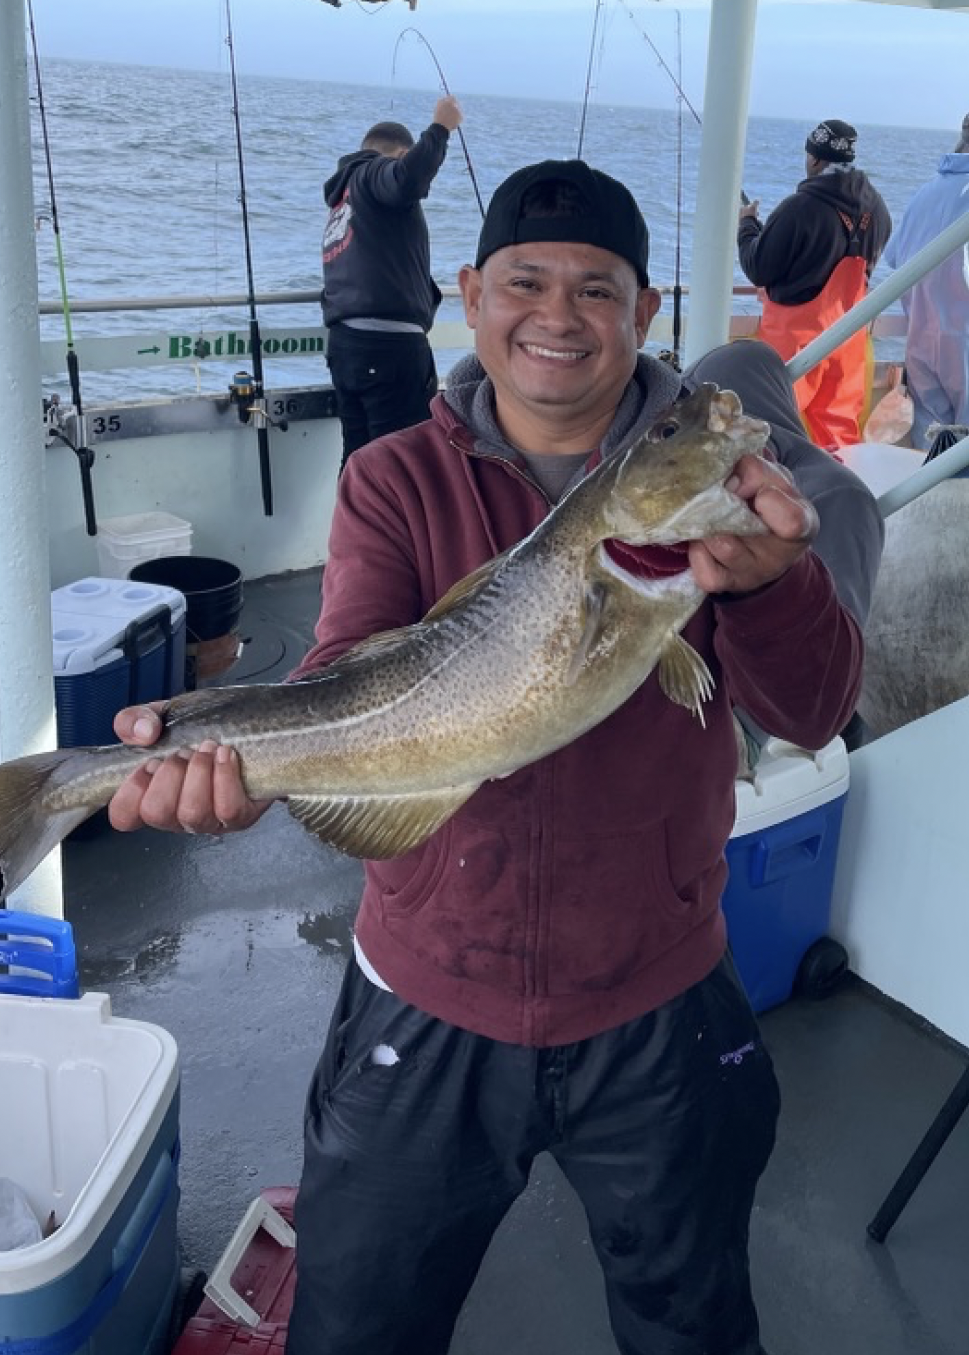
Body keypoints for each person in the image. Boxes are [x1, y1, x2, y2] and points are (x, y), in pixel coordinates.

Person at [109, 159, 868, 1355]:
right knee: (359, 1326)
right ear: (469, 294)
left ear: (646, 312)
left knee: (696, 1324)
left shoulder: (725, 501)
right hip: (427, 986)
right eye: (525, 282)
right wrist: (240, 771)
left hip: (658, 989)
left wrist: (775, 589)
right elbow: (348, 671)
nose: (558, 316)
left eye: (596, 290)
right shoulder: (392, 478)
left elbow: (816, 712)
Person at [321, 94, 463, 467]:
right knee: (405, 463)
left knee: (358, 462)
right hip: (388, 350)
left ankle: (353, 526)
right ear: (399, 154)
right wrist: (441, 128)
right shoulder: (373, 175)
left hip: (347, 347)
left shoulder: (345, 200)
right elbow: (406, 179)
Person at [738, 118, 892, 451]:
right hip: (849, 343)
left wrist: (748, 225)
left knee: (772, 434)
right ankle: (838, 497)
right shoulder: (878, 210)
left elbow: (758, 267)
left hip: (795, 344)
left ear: (814, 158)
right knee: (838, 438)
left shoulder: (799, 208)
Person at [883, 113, 969, 449]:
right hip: (963, 344)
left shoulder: (925, 193)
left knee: (931, 455)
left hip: (923, 345)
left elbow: (893, 257)